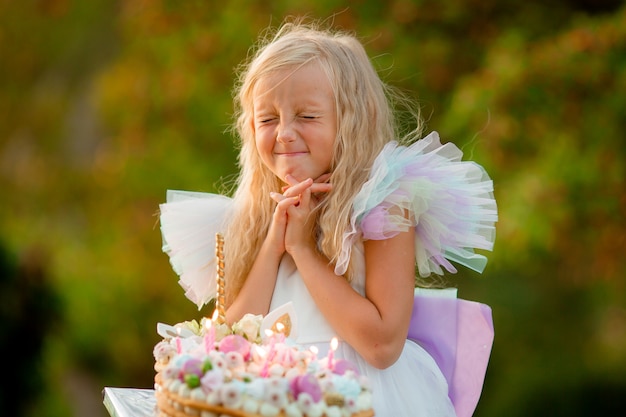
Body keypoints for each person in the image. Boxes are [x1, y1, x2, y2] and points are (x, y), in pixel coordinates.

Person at [160, 20, 497, 417]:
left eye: (306, 116)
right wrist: (275, 242)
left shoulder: (383, 207)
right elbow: (232, 340)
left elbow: (382, 346)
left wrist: (302, 249)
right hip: (269, 399)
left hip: (362, 396)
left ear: (351, 120)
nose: (284, 133)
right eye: (267, 119)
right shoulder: (252, 216)